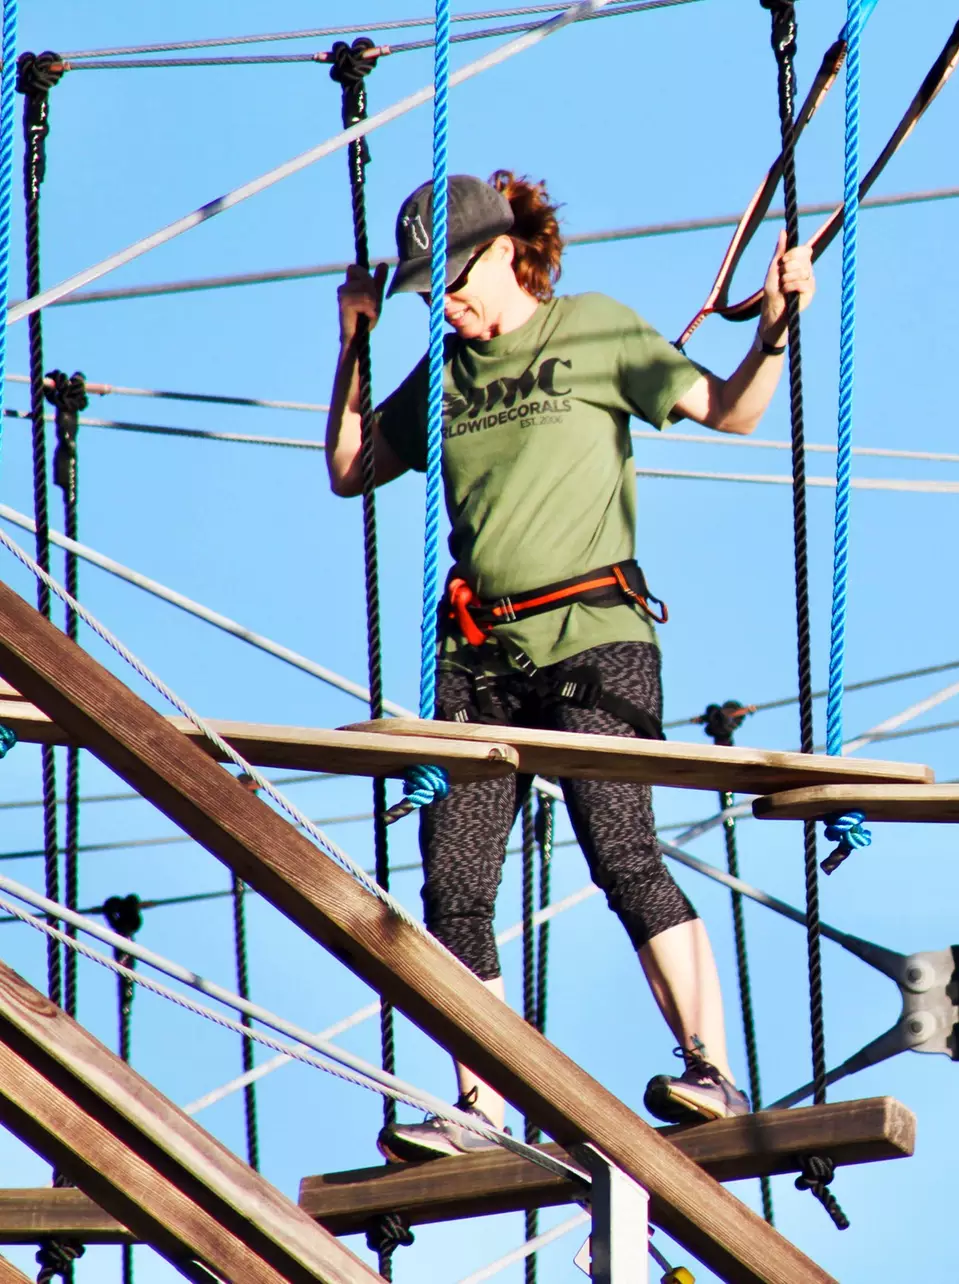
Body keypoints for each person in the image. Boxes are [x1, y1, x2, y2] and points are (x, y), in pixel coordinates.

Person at [325, 170, 814, 1160]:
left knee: (621, 849)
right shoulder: (443, 375)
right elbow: (349, 469)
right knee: (454, 884)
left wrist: (772, 331)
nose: (445, 306)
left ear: (506, 252)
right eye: (428, 294)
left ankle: (711, 1069)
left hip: (595, 637)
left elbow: (733, 411)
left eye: (453, 282)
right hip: (477, 659)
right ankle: (480, 1105)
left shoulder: (594, 329)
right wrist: (356, 342)